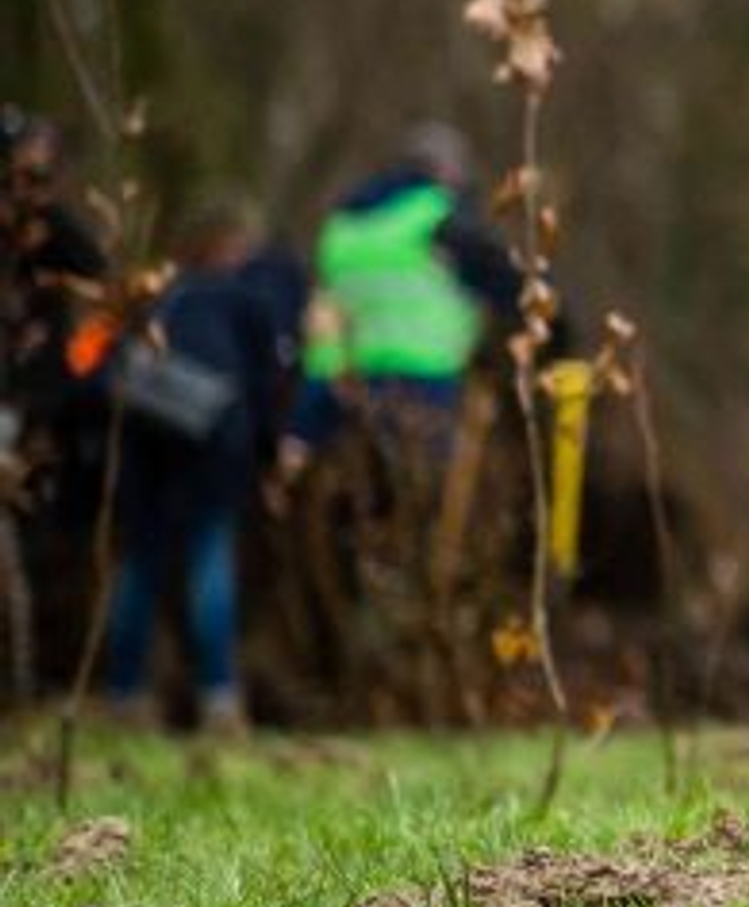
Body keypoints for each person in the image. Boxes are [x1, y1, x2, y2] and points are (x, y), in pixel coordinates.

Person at [99, 207, 306, 733]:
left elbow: (104, 368)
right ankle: (218, 698)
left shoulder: (156, 297)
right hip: (216, 439)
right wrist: (269, 458)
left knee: (141, 565)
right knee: (209, 558)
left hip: (148, 438)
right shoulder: (246, 300)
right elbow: (267, 388)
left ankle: (122, 695)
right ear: (233, 249)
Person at [298, 124, 522, 458]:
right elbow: (509, 287)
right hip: (425, 383)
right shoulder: (439, 216)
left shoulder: (342, 224)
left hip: (341, 388)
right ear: (446, 170)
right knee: (423, 497)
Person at [3, 106, 112, 703]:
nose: (32, 189)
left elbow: (101, 274)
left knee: (39, 545)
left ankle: (25, 681)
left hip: (41, 414)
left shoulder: (56, 237)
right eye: (23, 175)